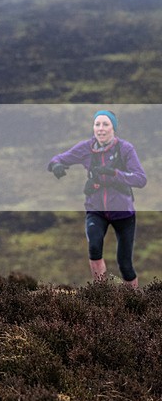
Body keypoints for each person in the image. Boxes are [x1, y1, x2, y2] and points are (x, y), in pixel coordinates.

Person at [47, 110, 146, 288]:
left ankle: (135, 304)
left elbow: (140, 179)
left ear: (113, 128)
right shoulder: (86, 148)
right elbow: (57, 158)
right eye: (97, 124)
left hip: (123, 212)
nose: (100, 129)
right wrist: (56, 166)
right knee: (94, 248)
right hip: (96, 209)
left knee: (125, 265)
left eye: (105, 124)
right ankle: (102, 295)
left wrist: (114, 173)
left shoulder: (125, 149)